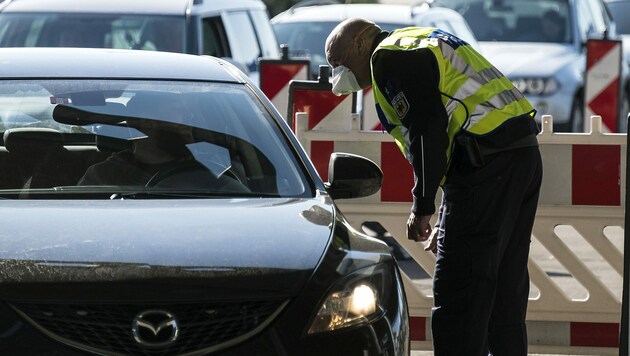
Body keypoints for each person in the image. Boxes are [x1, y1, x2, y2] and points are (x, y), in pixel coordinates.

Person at [325, 18, 542, 355]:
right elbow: (451, 124)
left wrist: (423, 205)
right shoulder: (418, 41)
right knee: (504, 290)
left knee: (460, 291)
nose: (338, 74)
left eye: (337, 61)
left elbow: (427, 130)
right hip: (520, 155)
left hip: (485, 164)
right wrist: (447, 211)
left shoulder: (388, 58)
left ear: (359, 42)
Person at [77, 93, 201, 186]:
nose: (189, 115)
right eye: (177, 109)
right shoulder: (103, 177)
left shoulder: (206, 170)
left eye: (188, 110)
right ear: (146, 122)